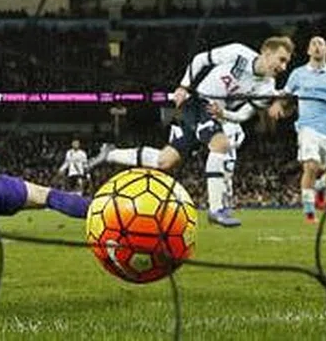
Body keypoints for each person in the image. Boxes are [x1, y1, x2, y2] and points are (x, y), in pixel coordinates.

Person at [89, 38, 292, 227]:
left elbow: (245, 114)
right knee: (221, 144)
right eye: (281, 60)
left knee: (164, 161)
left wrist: (225, 114)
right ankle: (216, 209)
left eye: (286, 63)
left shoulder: (267, 86)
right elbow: (201, 59)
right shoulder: (238, 53)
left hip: (214, 113)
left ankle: (111, 153)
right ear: (266, 52)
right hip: (198, 102)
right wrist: (184, 86)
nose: (283, 67)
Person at [272, 36, 326, 223]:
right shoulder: (297, 74)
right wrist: (277, 104)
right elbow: (285, 95)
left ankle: (320, 186)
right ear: (308, 51)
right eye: (313, 44)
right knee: (311, 166)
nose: (317, 47)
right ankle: (309, 213)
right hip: (307, 126)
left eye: (321, 44)